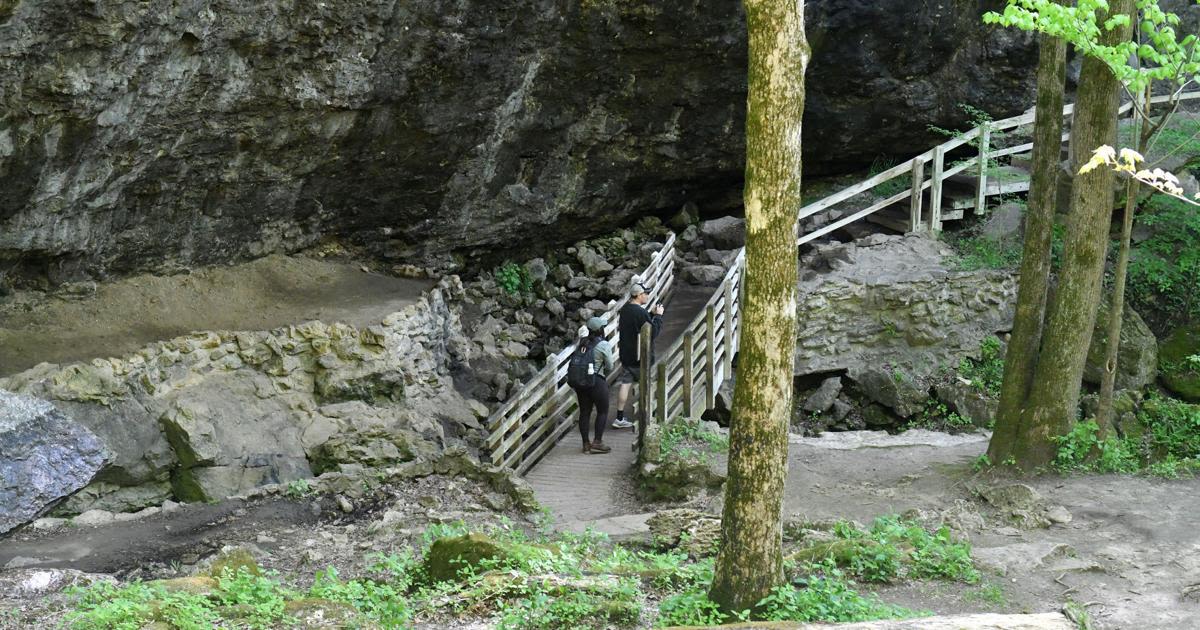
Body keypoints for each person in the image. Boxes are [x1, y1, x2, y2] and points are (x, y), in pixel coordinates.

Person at [611, 282, 664, 429]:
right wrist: (658, 317)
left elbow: (639, 324)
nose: (647, 295)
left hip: (626, 355)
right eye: (646, 293)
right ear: (639, 295)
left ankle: (619, 417)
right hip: (640, 357)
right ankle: (646, 416)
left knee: (625, 384)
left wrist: (651, 314)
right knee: (646, 385)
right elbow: (652, 333)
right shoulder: (640, 312)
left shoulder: (625, 309)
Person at [567, 316, 616, 454]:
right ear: (600, 329)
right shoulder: (603, 344)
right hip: (596, 381)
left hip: (581, 383)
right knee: (602, 411)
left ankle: (586, 444)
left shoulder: (582, 343)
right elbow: (610, 366)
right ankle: (597, 441)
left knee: (585, 412)